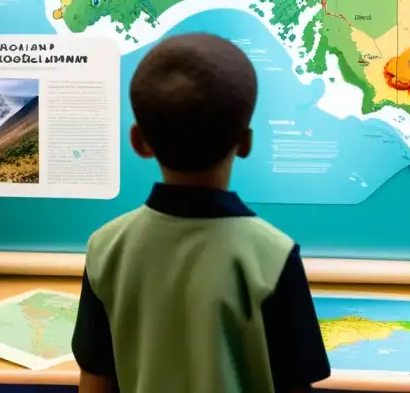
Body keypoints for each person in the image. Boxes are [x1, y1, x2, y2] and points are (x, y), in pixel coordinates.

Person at [71, 32, 331, 393]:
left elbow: (95, 378)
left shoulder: (106, 247)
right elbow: (295, 382)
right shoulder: (272, 255)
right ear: (245, 142)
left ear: (138, 141)